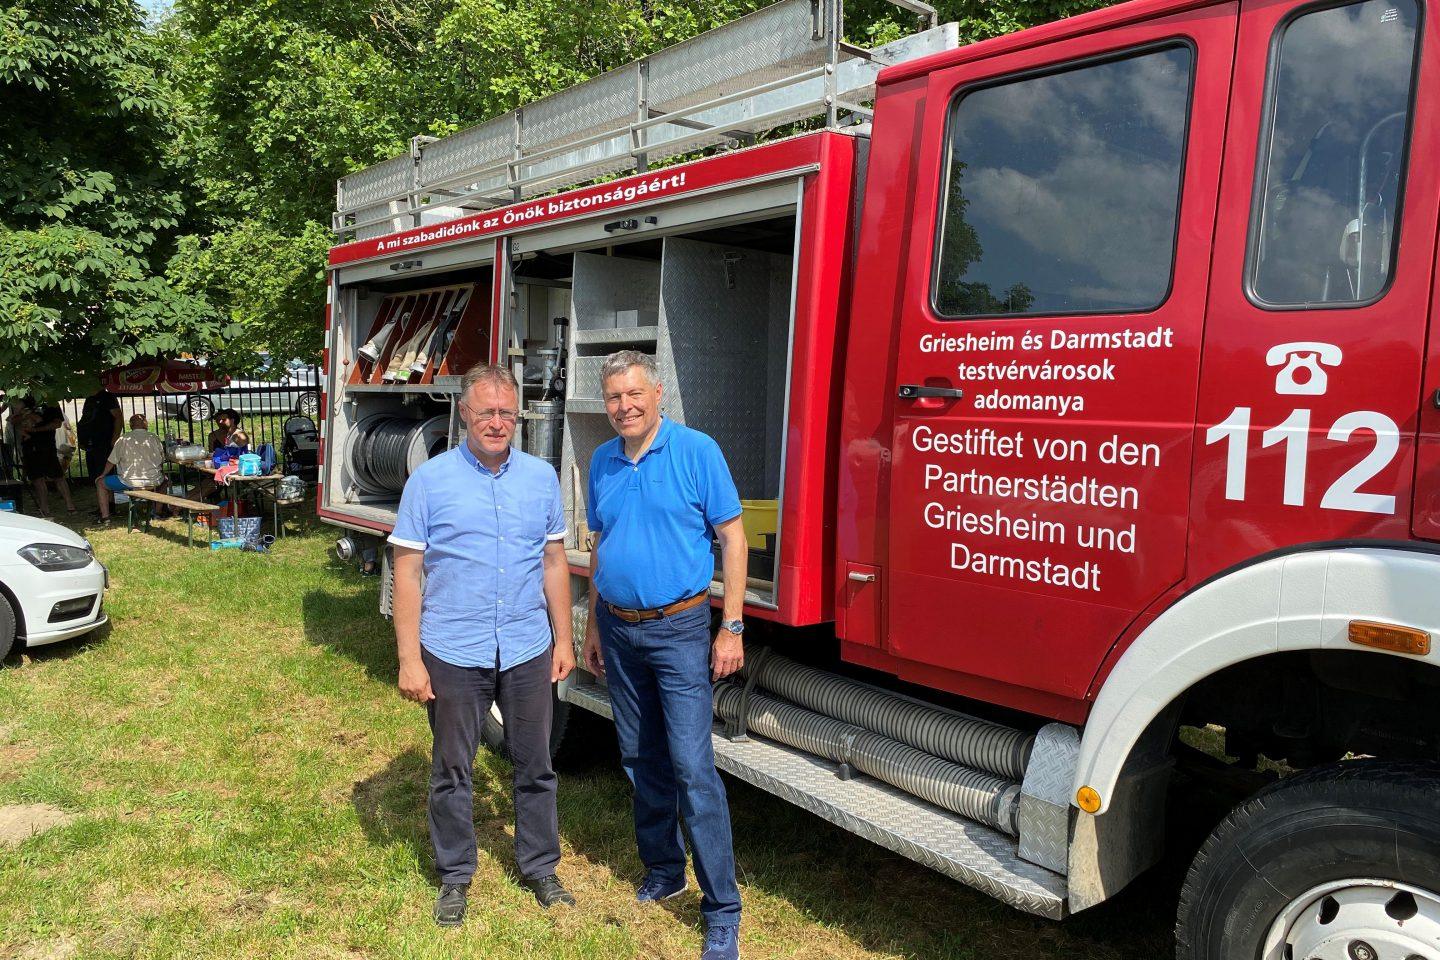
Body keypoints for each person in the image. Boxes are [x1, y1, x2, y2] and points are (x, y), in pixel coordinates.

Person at [389, 363, 577, 927]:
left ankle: (540, 866)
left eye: (506, 412)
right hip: (454, 647)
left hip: (525, 645)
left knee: (536, 763)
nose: (497, 422)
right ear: (465, 414)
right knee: (453, 767)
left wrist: (564, 638)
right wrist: (408, 658)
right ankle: (454, 876)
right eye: (485, 411)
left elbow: (553, 562)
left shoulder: (541, 478)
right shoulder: (431, 480)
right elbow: (408, 570)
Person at [580, 350, 748, 960]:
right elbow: (601, 542)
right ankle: (663, 869)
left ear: (657, 394)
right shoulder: (602, 460)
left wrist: (730, 625)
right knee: (638, 754)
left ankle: (722, 908)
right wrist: (595, 625)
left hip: (679, 630)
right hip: (618, 631)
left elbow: (733, 536)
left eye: (633, 395)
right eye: (613, 398)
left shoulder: (696, 451)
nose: (624, 407)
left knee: (691, 767)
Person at [96, 414, 167, 522]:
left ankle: (105, 517)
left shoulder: (123, 439)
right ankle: (157, 512)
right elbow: (161, 460)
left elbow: (111, 461)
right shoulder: (154, 438)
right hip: (153, 481)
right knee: (164, 481)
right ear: (145, 424)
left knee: (100, 483)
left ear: (131, 425)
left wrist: (103, 474)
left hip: (129, 481)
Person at [16, 398, 76, 517]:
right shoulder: (24, 399)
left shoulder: (51, 401)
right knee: (37, 479)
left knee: (58, 476)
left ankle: (70, 506)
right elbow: (14, 419)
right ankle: (44, 509)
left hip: (46, 445)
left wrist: (35, 429)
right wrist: (24, 417)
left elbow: (57, 424)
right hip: (29, 446)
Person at [77, 387, 124, 501]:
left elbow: (118, 417)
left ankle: (110, 504)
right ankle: (103, 504)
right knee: (94, 474)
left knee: (104, 473)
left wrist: (115, 436)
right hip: (90, 442)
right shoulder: (90, 399)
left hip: (104, 441)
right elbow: (86, 419)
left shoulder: (107, 397)